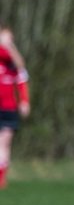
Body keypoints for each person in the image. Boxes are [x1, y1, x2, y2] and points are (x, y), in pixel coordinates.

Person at [0, 26, 31, 190]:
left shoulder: (12, 62)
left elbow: (21, 71)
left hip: (8, 108)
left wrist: (24, 101)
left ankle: (1, 178)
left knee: (4, 143)